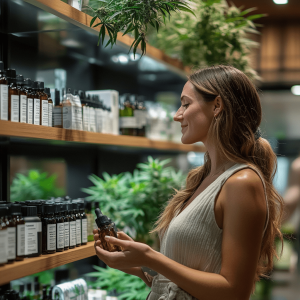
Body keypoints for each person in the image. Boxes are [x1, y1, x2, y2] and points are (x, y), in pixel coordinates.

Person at [93, 65, 284, 300]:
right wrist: (137, 264)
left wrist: (150, 257)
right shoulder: (202, 177)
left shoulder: (242, 182)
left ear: (217, 106)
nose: (177, 115)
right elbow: (180, 284)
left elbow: (234, 290)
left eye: (185, 104)